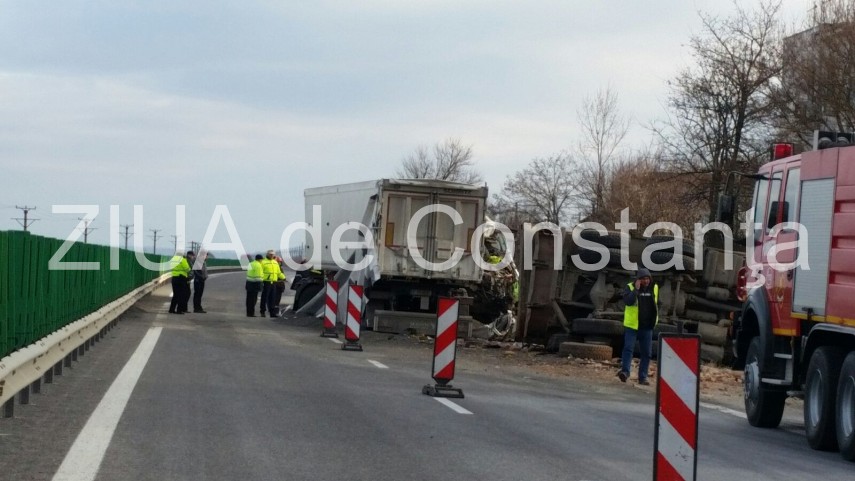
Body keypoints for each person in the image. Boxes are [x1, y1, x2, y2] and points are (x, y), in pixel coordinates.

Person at [617, 268, 659, 385]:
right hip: (632, 326)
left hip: (647, 326)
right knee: (628, 348)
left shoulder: (654, 288)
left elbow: (655, 304)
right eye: (643, 279)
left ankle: (643, 377)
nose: (646, 281)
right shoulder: (629, 287)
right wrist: (636, 289)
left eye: (647, 279)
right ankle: (625, 372)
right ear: (638, 280)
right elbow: (628, 301)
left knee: (646, 353)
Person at [260, 249, 286, 317]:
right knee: (264, 298)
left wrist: (283, 277)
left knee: (272, 298)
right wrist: (261, 280)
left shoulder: (275, 263)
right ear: (267, 254)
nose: (271, 255)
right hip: (266, 282)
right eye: (270, 254)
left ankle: (272, 313)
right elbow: (260, 272)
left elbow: (278, 272)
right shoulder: (263, 262)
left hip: (274, 282)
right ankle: (262, 311)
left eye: (272, 254)